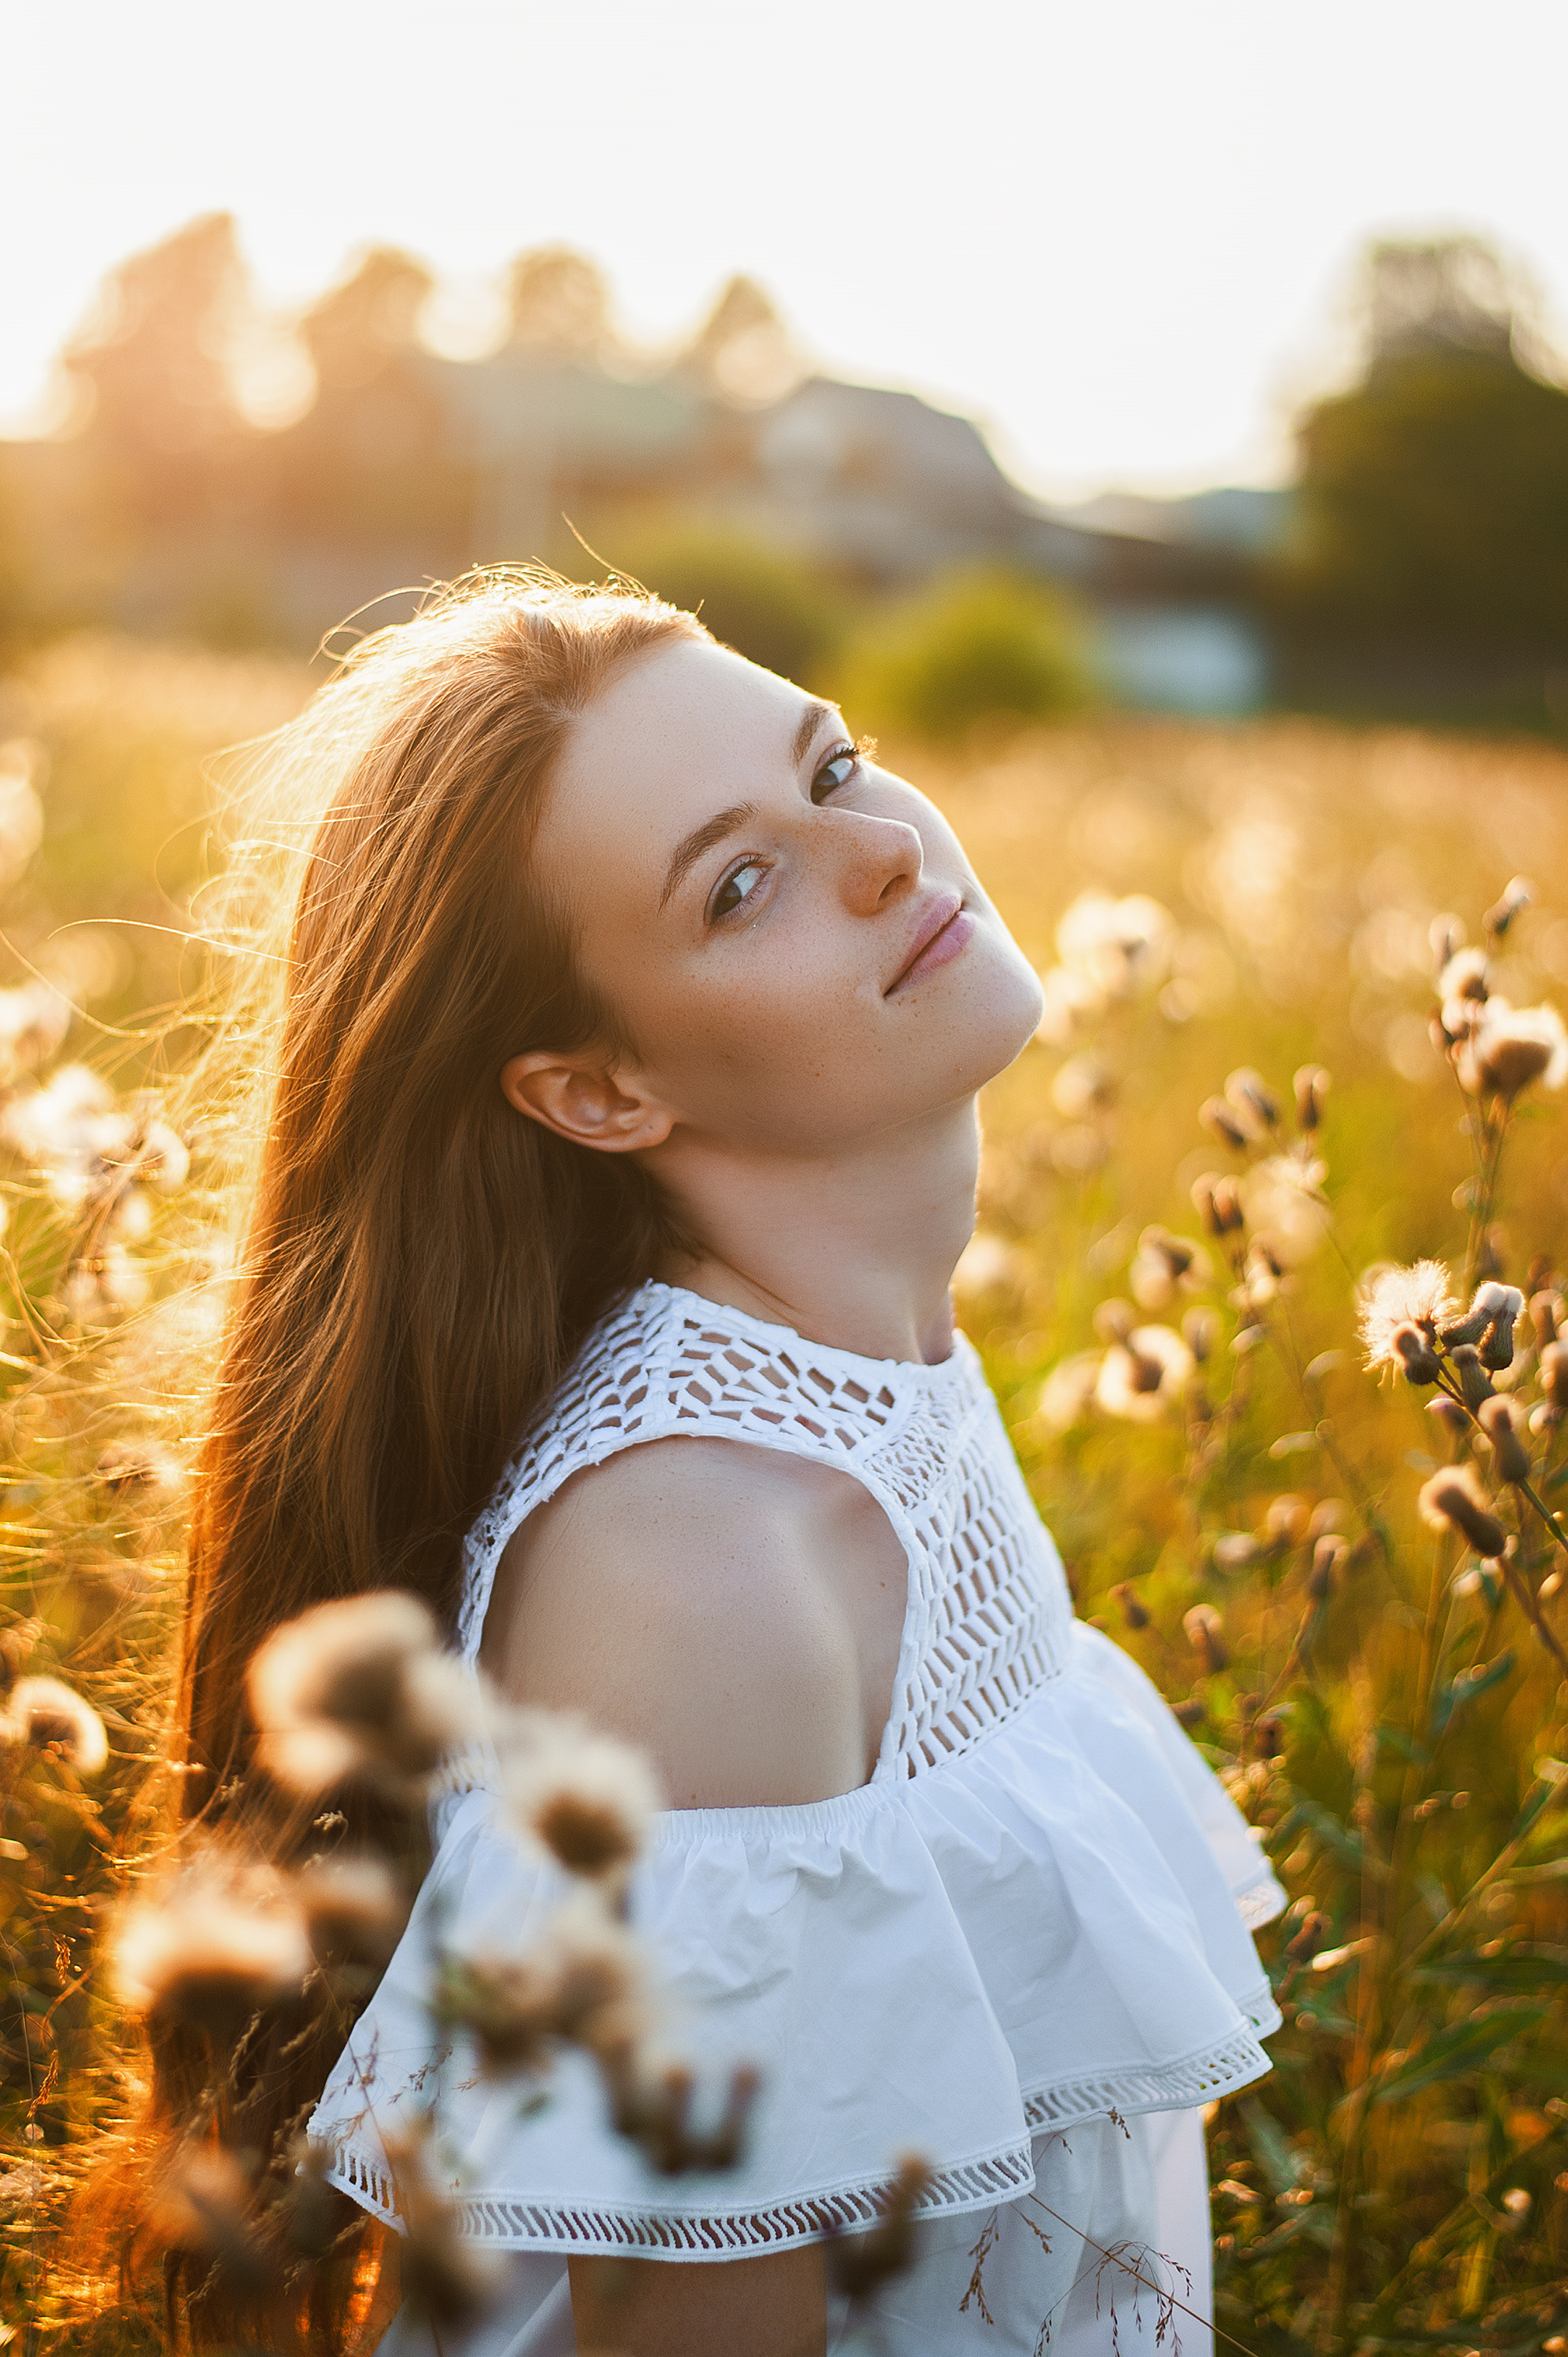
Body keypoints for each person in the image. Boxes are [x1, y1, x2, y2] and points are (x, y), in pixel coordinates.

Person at [178, 573, 1281, 2357]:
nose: (882, 856)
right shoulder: (700, 1566)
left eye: (833, 769)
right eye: (737, 885)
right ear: (599, 1092)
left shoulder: (864, 1382)